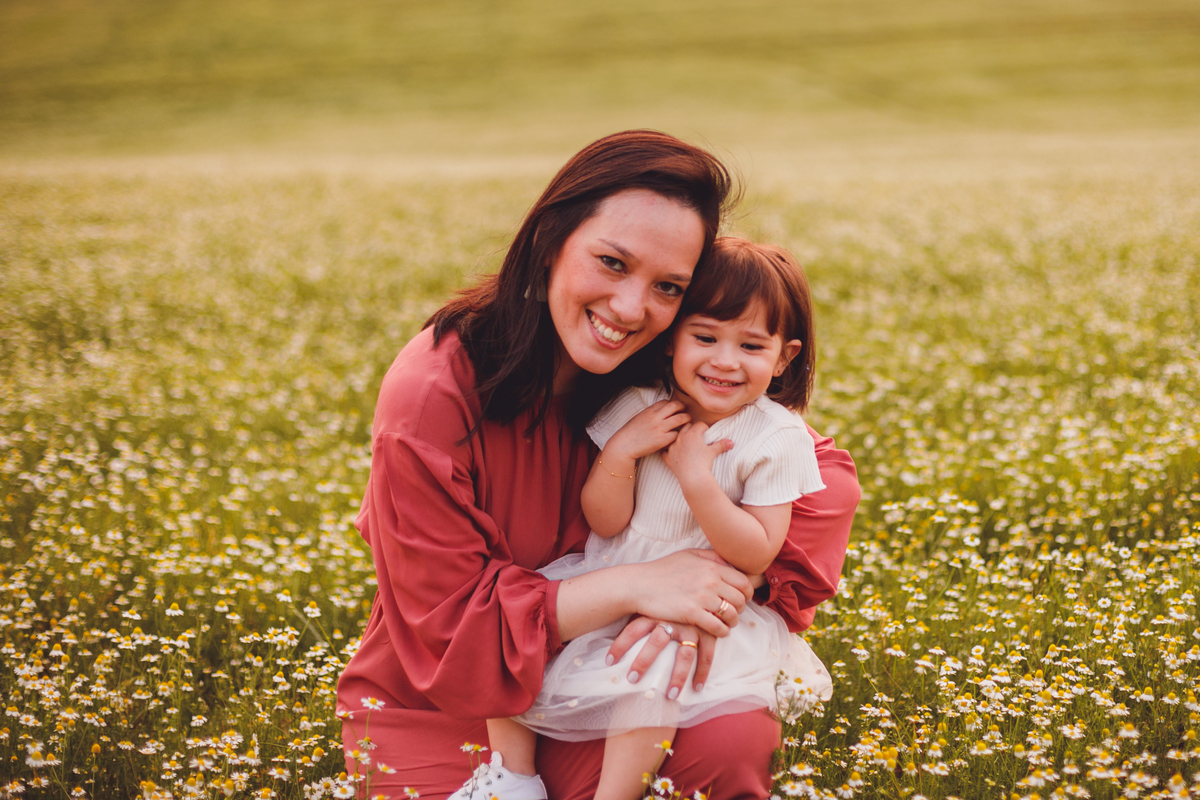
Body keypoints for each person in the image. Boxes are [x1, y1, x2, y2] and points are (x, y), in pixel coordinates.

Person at [336, 130, 860, 800]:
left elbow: (818, 479)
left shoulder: (657, 360)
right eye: (612, 263)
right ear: (550, 241)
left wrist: (715, 584)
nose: (630, 308)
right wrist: (641, 585)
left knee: (729, 743)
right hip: (451, 696)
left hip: (619, 671)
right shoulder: (435, 392)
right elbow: (446, 625)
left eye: (668, 287)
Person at [473, 238, 835, 800]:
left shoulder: (776, 436)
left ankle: (614, 795)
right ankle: (511, 777)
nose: (724, 360)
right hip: (614, 570)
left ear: (783, 357)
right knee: (520, 632)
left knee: (657, 678)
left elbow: (757, 551)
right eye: (705, 337)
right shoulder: (643, 403)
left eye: (751, 345)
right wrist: (620, 452)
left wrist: (697, 479)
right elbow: (605, 520)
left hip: (695, 595)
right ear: (672, 342)